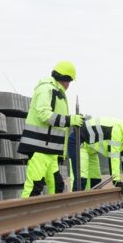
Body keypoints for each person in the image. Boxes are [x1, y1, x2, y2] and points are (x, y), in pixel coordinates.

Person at [17, 61, 83, 197]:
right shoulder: (46, 89)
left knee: (57, 186)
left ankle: (54, 217)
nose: (69, 85)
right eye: (69, 81)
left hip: (50, 150)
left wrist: (60, 152)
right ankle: (25, 216)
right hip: (39, 147)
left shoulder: (57, 91)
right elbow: (43, 114)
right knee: (34, 187)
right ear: (65, 79)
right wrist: (70, 120)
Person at [79, 117, 123, 198]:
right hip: (80, 143)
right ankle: (77, 203)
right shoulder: (117, 130)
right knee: (82, 179)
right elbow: (114, 156)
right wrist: (117, 182)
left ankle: (89, 204)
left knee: (96, 182)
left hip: (92, 150)